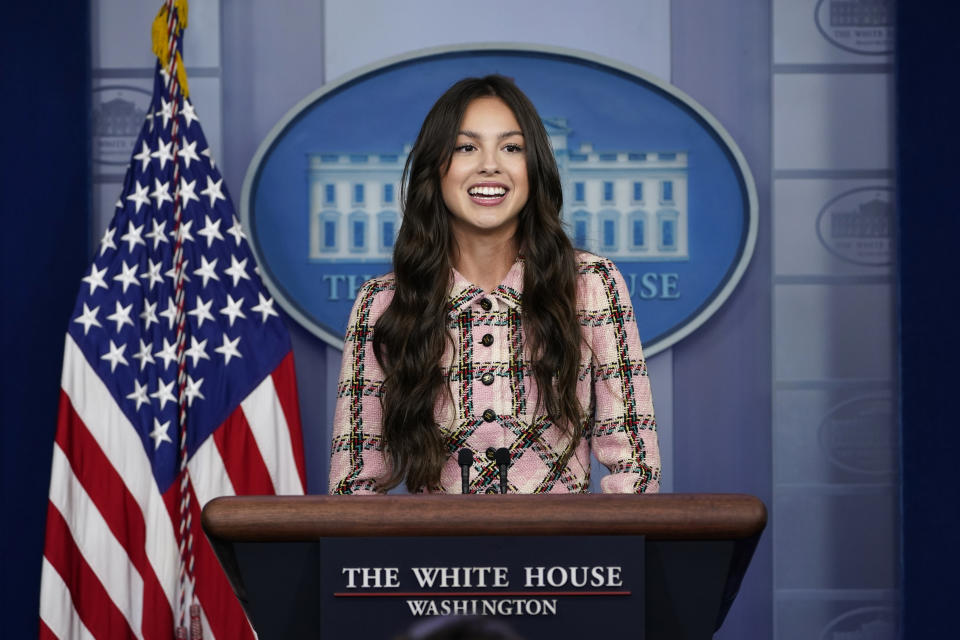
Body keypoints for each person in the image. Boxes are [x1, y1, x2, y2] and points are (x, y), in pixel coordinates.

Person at [328, 75, 659, 495]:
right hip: (433, 556)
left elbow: (636, 465)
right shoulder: (382, 302)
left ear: (534, 168)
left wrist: (601, 553)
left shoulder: (591, 284)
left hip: (564, 555)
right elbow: (354, 481)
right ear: (436, 168)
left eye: (511, 148)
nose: (490, 164)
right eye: (467, 147)